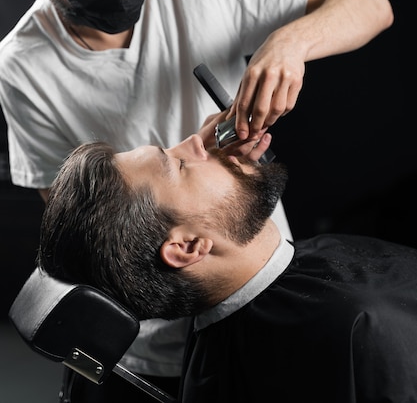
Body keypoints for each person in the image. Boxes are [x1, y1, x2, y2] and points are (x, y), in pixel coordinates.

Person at [0, 0, 393, 401]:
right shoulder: (21, 68)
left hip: (259, 292)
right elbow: (85, 226)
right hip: (149, 343)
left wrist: (290, 43)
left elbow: (370, 6)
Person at [38, 133, 417, 402]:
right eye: (181, 164)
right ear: (187, 247)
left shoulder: (218, 344)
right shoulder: (359, 328)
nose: (198, 139)